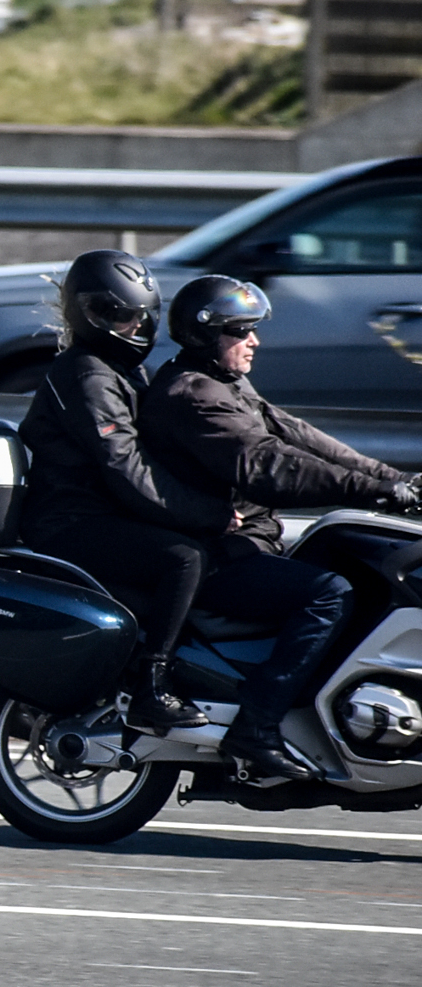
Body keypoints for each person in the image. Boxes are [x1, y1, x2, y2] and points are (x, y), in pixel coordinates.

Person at [142, 275, 422, 783]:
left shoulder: (223, 383)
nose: (255, 340)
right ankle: (256, 726)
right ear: (207, 335)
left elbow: (298, 434)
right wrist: (373, 491)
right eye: (241, 331)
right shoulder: (193, 396)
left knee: (352, 563)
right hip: (215, 554)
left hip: (246, 541)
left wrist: (395, 478)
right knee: (328, 594)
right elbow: (269, 465)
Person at [15, 249, 231, 733]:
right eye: (118, 316)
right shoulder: (89, 375)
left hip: (98, 514)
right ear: (87, 313)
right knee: (184, 557)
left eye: (139, 317)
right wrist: (204, 513)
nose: (133, 327)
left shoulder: (117, 369)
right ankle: (153, 686)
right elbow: (124, 466)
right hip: (71, 522)